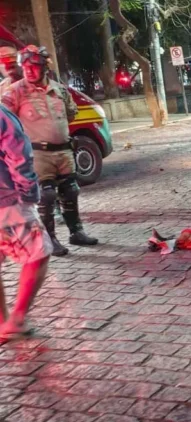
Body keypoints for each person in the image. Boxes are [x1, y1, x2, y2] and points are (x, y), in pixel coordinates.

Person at [2, 45, 98, 256]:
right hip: (37, 154)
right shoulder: (15, 91)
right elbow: (5, 121)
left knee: (71, 191)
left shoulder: (60, 89)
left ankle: (76, 232)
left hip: (64, 151)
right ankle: (51, 239)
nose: (28, 70)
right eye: (25, 66)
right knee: (46, 196)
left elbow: (70, 113)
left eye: (34, 66)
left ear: (45, 67)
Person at [0, 103, 51, 342]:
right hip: (8, 203)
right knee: (38, 253)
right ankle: (16, 320)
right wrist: (29, 195)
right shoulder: (2, 116)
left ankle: (3, 321)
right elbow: (19, 157)